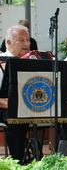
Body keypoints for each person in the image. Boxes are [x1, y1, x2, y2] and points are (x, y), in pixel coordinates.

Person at [0, 25, 31, 161]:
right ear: (8, 43)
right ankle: (17, 160)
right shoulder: (1, 61)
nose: (26, 44)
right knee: (17, 118)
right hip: (4, 107)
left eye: (28, 40)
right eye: (21, 40)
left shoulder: (31, 61)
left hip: (27, 106)